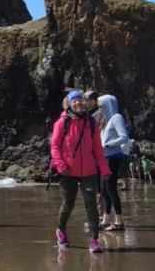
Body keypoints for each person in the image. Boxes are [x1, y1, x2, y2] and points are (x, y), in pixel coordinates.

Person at [50, 89, 110, 252]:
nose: (78, 103)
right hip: (67, 172)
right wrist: (61, 165)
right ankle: (61, 230)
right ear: (69, 104)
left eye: (80, 100)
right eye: (74, 100)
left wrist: (104, 168)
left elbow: (98, 149)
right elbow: (54, 147)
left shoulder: (91, 123)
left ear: (84, 103)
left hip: (89, 171)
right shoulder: (62, 123)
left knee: (91, 205)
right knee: (68, 204)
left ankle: (94, 240)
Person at [96, 94, 130, 231]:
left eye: (102, 106)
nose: (100, 109)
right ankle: (105, 219)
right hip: (103, 158)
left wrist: (109, 144)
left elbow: (124, 137)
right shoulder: (105, 119)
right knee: (104, 190)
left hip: (113, 157)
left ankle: (119, 221)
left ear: (108, 105)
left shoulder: (116, 118)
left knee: (111, 189)